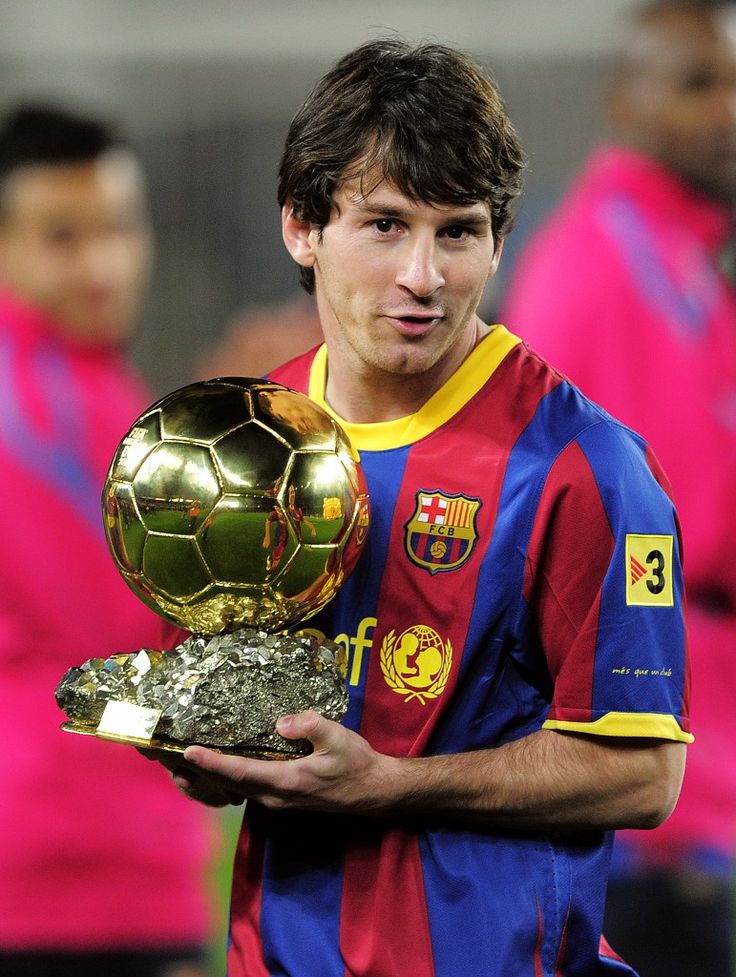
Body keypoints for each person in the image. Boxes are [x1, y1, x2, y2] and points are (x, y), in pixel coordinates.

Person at [155, 40, 692, 977]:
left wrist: (388, 785)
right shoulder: (249, 433)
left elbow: (644, 773)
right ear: (301, 226)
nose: (423, 276)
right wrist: (203, 749)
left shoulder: (584, 466)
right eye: (385, 225)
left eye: (458, 231)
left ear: (497, 241)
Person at [501, 2, 736, 974]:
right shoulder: (600, 263)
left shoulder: (680, 253)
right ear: (621, 100)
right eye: (695, 84)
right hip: (650, 783)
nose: (727, 109)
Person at [0, 105, 216, 977]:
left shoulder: (91, 388)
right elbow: (160, 628)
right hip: (76, 872)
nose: (102, 263)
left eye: (120, 228)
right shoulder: (44, 406)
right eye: (62, 236)